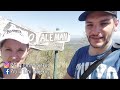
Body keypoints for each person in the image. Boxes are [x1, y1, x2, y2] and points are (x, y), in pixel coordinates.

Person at [64, 11, 120, 79]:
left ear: (116, 25)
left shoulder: (118, 57)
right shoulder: (80, 53)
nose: (95, 32)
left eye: (103, 23)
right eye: (90, 25)